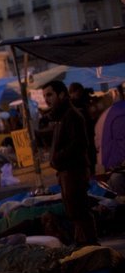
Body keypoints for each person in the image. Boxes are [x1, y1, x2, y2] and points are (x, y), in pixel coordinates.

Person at [43, 80, 98, 246]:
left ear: (61, 94)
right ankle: (84, 245)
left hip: (74, 170)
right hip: (66, 171)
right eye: (45, 96)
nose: (47, 99)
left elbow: (79, 144)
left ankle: (90, 246)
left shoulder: (72, 115)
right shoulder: (61, 117)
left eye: (50, 95)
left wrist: (57, 158)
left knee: (79, 210)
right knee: (73, 210)